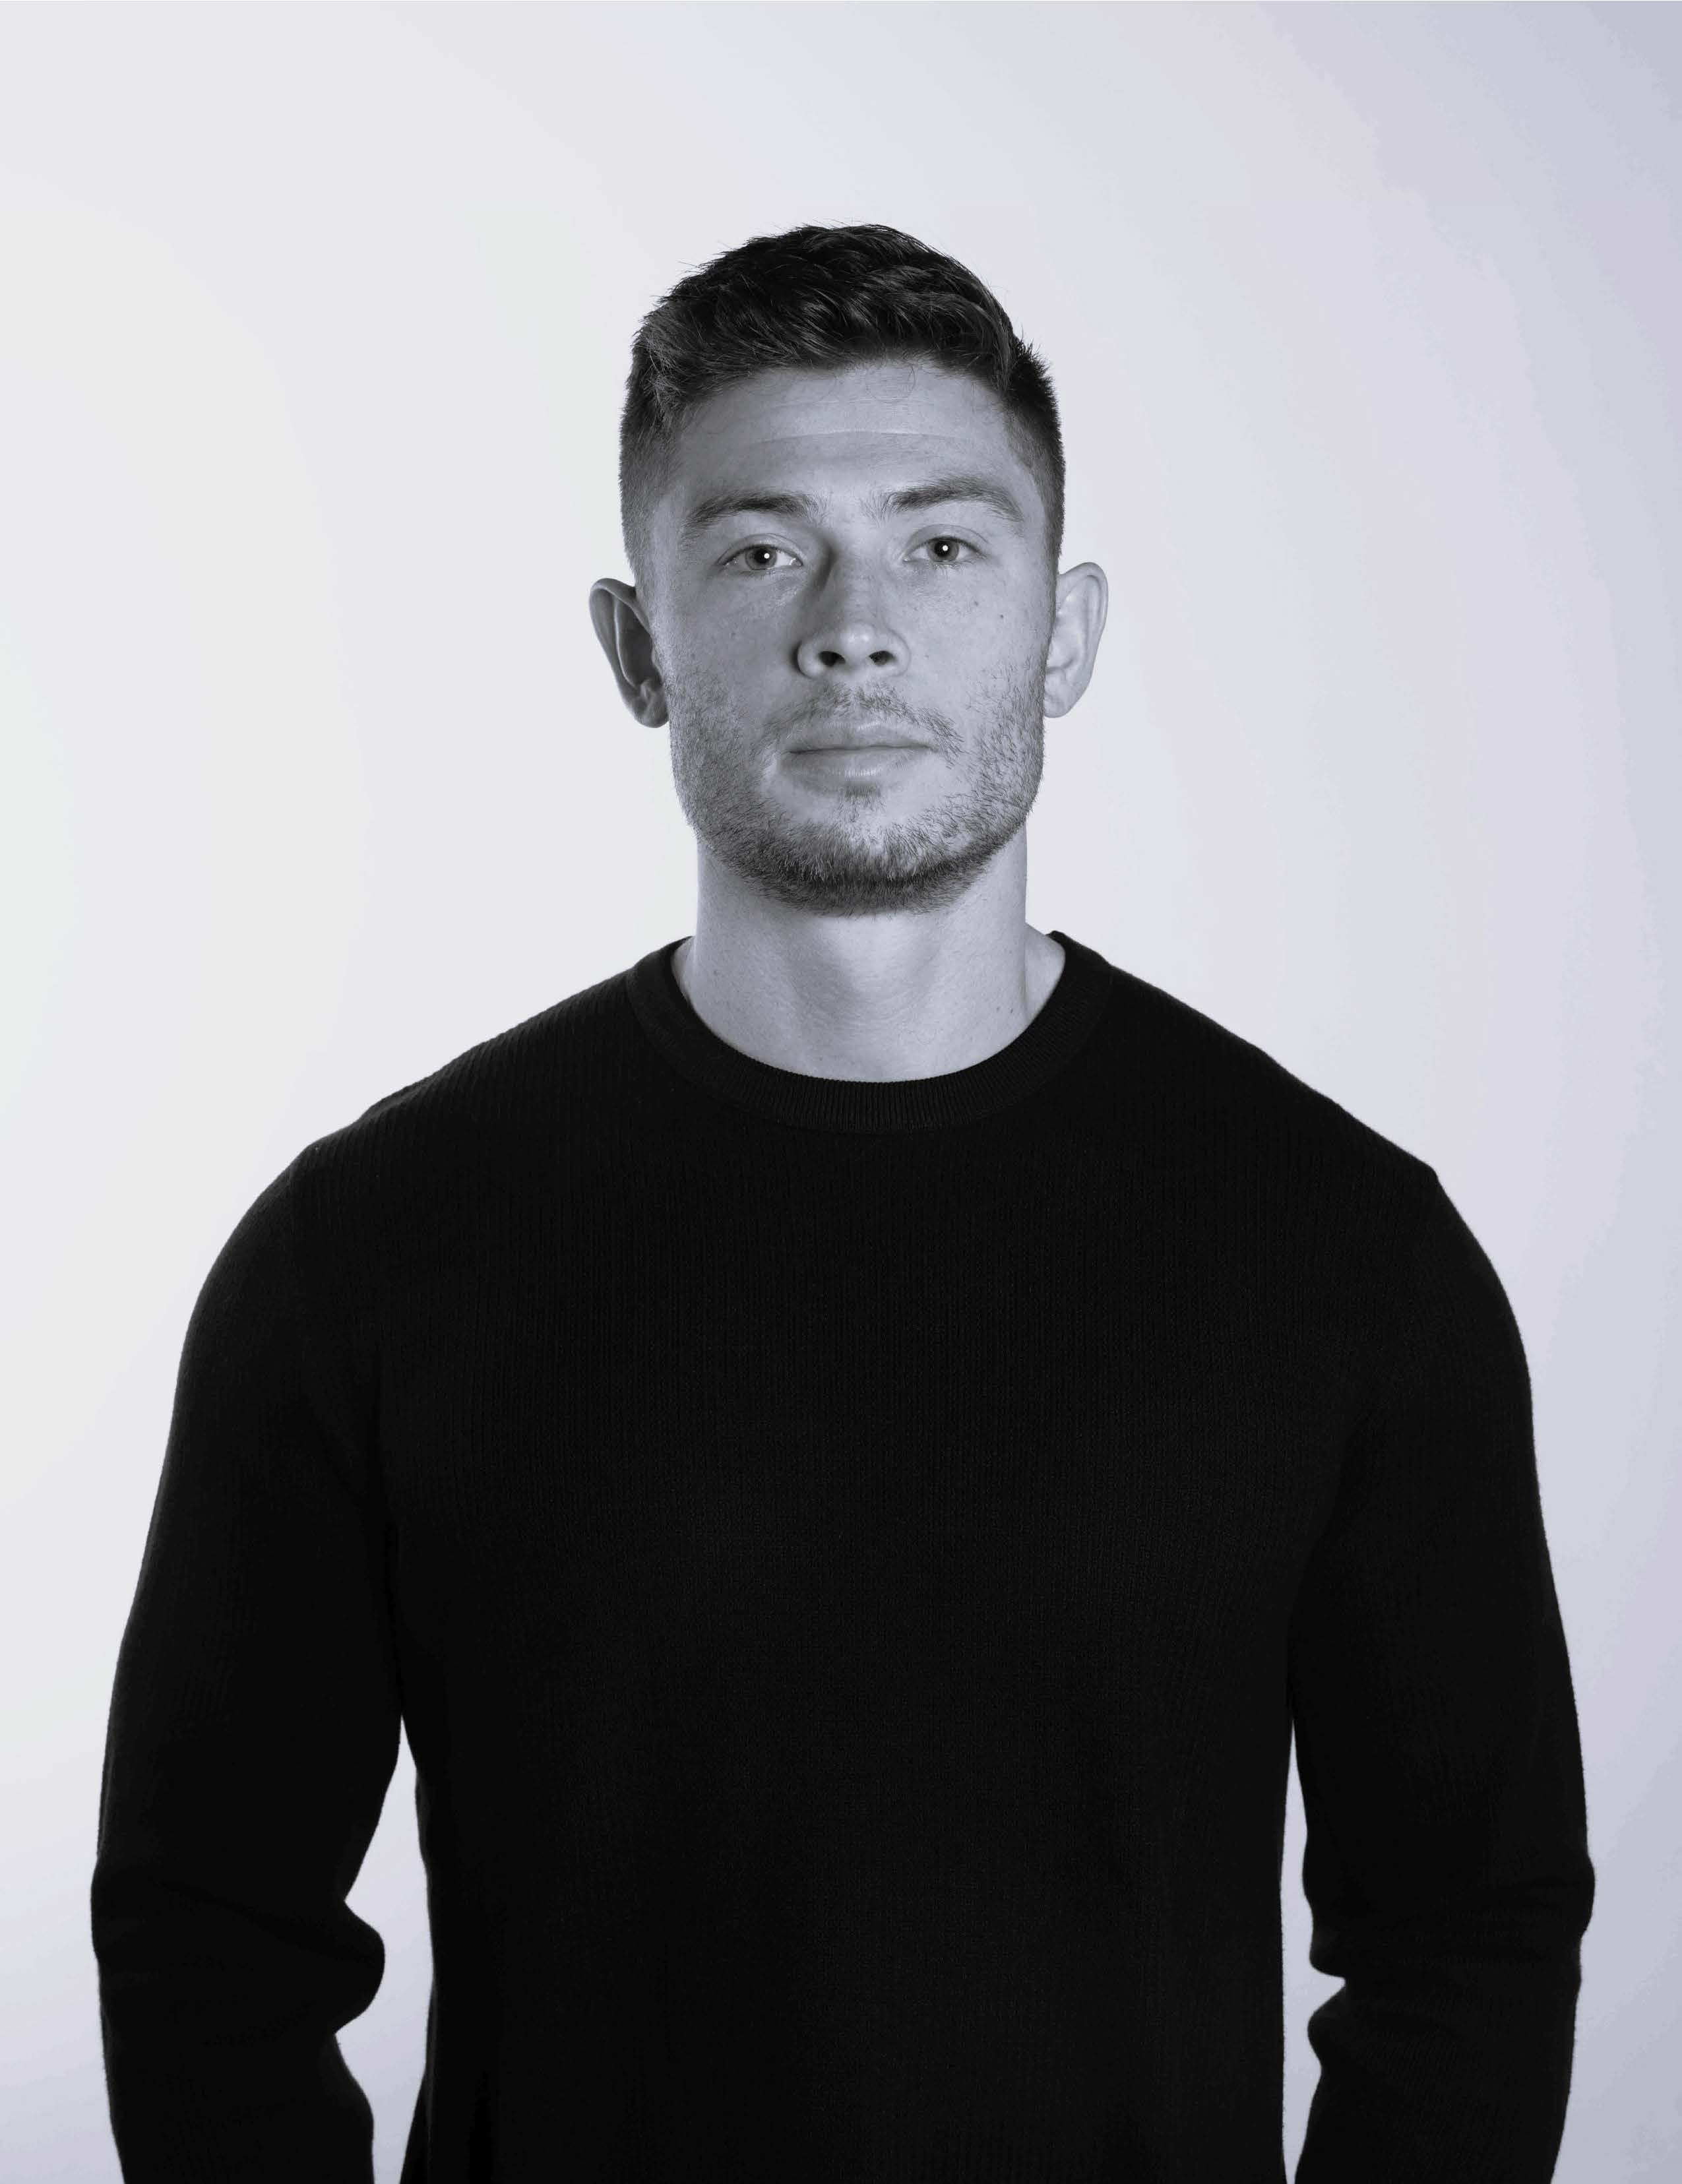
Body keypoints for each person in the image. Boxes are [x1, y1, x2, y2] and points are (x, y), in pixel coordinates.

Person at [92, 222, 1594, 2183]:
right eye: (760, 552)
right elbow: (209, 1941)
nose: (854, 627)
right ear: (639, 649)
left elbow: (1467, 1941)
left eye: (944, 545)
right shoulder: (366, 1257)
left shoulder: (1344, 1257)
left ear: (1064, 634)